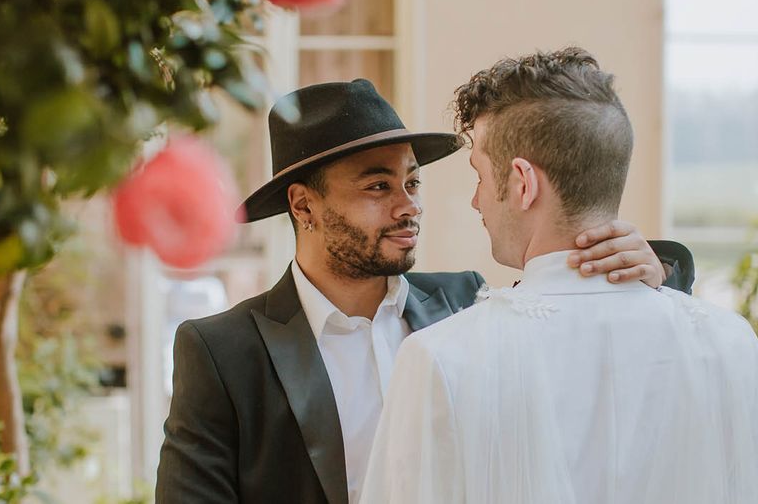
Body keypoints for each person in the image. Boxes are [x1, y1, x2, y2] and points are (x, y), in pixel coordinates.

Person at [155, 78, 694, 504]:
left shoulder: (470, 302)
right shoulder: (221, 353)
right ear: (303, 205)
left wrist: (655, 271)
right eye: (377, 187)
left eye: (412, 182)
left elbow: (592, 346)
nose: (409, 205)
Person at [360, 50, 758, 504]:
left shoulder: (441, 357)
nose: (476, 202)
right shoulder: (732, 342)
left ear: (522, 183)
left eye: (480, 178)